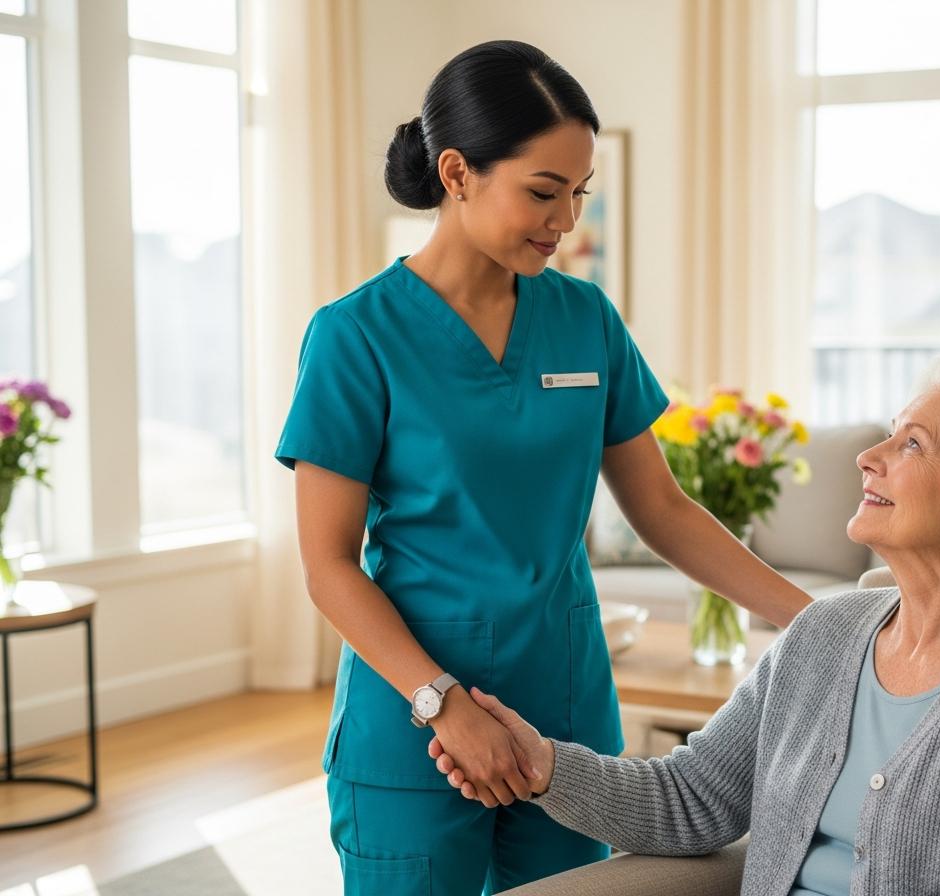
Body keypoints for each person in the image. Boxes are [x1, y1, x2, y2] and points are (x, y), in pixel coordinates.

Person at [275, 39, 812, 896]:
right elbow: (328, 564)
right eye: (543, 192)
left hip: (566, 722)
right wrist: (443, 704)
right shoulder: (355, 336)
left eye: (579, 194)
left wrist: (816, 620)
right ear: (457, 173)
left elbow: (663, 510)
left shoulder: (585, 318)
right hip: (412, 719)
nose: (566, 221)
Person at [432, 357, 940, 896]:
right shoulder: (823, 635)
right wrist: (541, 763)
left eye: (911, 444)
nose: (867, 456)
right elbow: (690, 799)